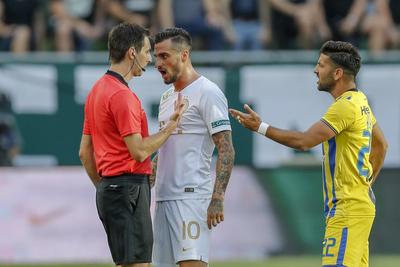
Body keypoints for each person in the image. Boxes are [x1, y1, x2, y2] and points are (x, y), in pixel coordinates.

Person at [230, 40, 388, 267]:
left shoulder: (344, 107)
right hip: (357, 206)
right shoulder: (361, 101)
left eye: (321, 65)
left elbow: (304, 142)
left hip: (347, 209)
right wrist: (366, 185)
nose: (316, 70)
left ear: (337, 73)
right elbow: (382, 145)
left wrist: (260, 127)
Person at [79, 23, 184, 267]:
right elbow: (138, 151)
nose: (150, 59)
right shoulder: (122, 96)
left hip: (112, 188)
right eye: (147, 52)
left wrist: (105, 188)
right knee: (139, 264)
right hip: (129, 188)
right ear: (132, 53)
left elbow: (84, 153)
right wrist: (170, 127)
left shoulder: (96, 91)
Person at [152, 28, 235, 267]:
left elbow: (226, 147)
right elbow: (167, 146)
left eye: (164, 56)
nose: (158, 63)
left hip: (191, 198)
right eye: (157, 57)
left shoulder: (207, 92)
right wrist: (149, 174)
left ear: (184, 55)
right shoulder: (167, 97)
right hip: (163, 198)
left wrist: (217, 197)